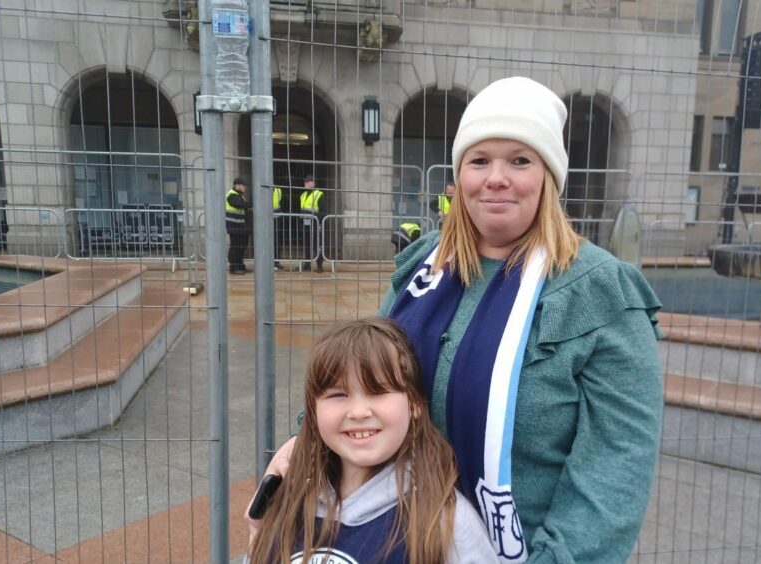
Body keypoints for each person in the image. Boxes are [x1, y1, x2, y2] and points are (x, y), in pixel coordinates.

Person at [254, 77, 663, 563]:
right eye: (479, 160)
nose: (496, 177)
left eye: (520, 160)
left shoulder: (599, 292)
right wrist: (305, 439)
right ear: (459, 175)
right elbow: (363, 367)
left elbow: (615, 469)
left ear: (549, 176)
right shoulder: (425, 266)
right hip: (400, 542)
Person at [246, 318, 498, 564]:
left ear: (415, 404)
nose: (358, 412)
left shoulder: (445, 520)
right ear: (312, 412)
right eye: (338, 394)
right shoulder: (284, 501)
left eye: (377, 392)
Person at [299, 174, 325, 273]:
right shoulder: (303, 194)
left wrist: (316, 219)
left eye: (307, 181)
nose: (305, 183)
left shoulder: (319, 194)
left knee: (317, 245)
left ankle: (319, 265)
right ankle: (307, 264)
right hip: (305, 224)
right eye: (305, 181)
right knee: (306, 245)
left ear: (313, 183)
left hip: (314, 224)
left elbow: (323, 211)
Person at [226, 177, 251, 274]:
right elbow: (240, 205)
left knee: (242, 246)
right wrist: (252, 203)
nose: (245, 187)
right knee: (235, 247)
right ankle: (234, 267)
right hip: (234, 225)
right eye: (243, 185)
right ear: (237, 185)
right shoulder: (231, 195)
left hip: (241, 226)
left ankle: (240, 265)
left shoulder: (240, 195)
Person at [272, 185, 284, 270]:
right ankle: (267, 261)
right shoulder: (261, 188)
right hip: (264, 220)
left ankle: (276, 261)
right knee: (266, 242)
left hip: (276, 219)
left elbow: (282, 203)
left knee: (276, 241)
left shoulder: (278, 190)